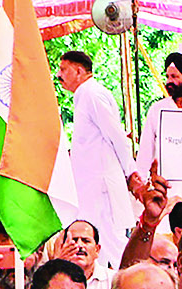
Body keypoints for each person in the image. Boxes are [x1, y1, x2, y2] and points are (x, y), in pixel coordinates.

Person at [57, 50, 139, 273]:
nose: (59, 75)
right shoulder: (83, 95)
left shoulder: (92, 93)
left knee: (113, 243)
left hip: (101, 185)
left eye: (63, 69)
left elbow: (116, 136)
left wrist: (131, 172)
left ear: (79, 71)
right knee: (95, 245)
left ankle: (133, 282)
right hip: (89, 187)